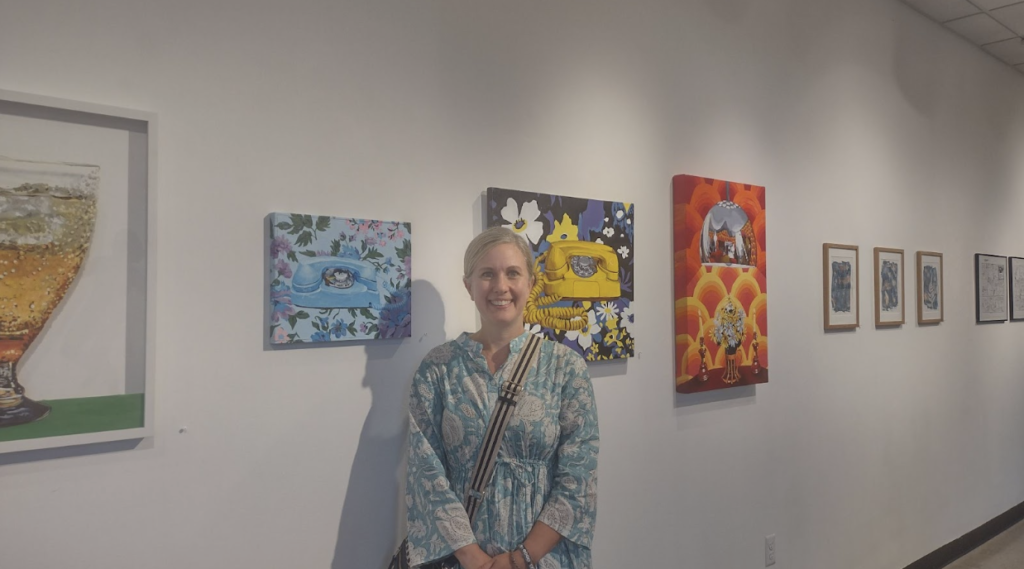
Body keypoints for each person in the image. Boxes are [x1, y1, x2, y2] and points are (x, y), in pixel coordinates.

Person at [404, 227, 599, 569]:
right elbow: (426, 473)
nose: (500, 286)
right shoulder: (438, 369)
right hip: (460, 561)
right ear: (469, 286)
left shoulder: (565, 367)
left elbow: (578, 477)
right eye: (487, 274)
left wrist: (521, 559)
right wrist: (474, 558)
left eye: (512, 273)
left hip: (545, 558)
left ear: (531, 282)